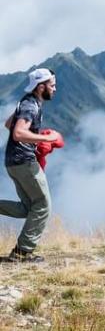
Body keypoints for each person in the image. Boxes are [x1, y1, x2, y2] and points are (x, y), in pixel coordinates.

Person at [0, 68, 60, 263]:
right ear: (41, 87)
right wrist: (46, 138)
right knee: (43, 205)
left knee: (28, 208)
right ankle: (22, 253)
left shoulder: (25, 102)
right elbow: (17, 132)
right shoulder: (31, 106)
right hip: (25, 163)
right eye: (52, 85)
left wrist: (33, 136)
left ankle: (21, 251)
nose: (55, 89)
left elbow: (9, 124)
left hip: (13, 163)